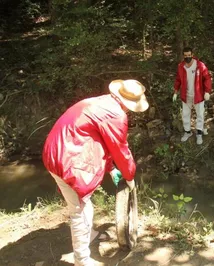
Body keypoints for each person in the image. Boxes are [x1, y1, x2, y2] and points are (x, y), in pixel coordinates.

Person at [42, 79, 149, 266]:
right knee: (80, 210)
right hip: (69, 160)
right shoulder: (116, 115)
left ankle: (88, 234)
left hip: (55, 151)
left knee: (81, 204)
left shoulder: (101, 102)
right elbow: (120, 150)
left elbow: (98, 140)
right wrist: (129, 176)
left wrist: (111, 169)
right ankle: (82, 260)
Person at [173, 46, 212, 145]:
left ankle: (199, 133)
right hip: (186, 95)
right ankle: (187, 132)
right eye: (185, 56)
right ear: (183, 56)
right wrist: (175, 91)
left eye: (189, 55)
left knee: (200, 114)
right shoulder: (181, 66)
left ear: (192, 55)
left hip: (198, 95)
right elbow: (178, 79)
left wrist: (207, 91)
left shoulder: (200, 65)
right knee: (185, 114)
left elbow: (207, 78)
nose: (187, 57)